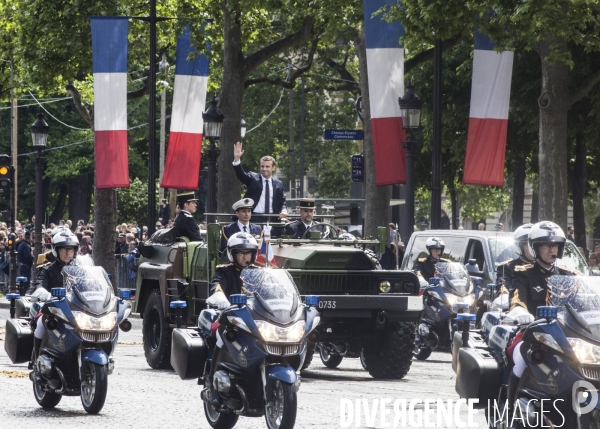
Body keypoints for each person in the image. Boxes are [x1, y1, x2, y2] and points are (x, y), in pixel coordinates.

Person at [506, 221, 578, 423]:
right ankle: (511, 411)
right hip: (532, 334)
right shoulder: (524, 272)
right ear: (535, 248)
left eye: (555, 245)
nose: (551, 249)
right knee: (522, 358)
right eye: (546, 245)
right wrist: (520, 311)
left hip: (564, 337)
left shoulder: (568, 275)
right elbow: (516, 297)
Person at [206, 232, 259, 405]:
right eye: (241, 253)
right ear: (232, 254)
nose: (245, 257)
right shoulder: (225, 271)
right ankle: (213, 385)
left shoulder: (260, 273)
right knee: (221, 334)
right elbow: (216, 287)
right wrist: (221, 300)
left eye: (248, 252)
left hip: (255, 319)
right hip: (230, 317)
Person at [30, 230, 79, 383]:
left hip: (75, 310)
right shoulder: (48, 269)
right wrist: (43, 293)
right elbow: (39, 286)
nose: (67, 252)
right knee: (41, 324)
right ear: (56, 250)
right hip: (53, 309)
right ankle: (36, 364)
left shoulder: (80, 270)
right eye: (64, 249)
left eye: (71, 249)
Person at [232, 142, 287, 222]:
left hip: (273, 219)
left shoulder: (279, 184)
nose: (264, 169)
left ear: (273, 168)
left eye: (267, 166)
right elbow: (241, 175)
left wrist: (284, 210)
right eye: (262, 166)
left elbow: (282, 202)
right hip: (254, 219)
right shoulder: (253, 178)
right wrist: (237, 159)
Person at [496, 223, 534, 299]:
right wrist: (504, 296)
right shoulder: (507, 267)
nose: (533, 248)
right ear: (518, 246)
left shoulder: (546, 267)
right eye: (528, 244)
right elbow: (503, 287)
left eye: (536, 244)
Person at [17, 230, 34, 295]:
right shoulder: (27, 246)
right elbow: (28, 256)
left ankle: (21, 294)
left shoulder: (21, 244)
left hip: (22, 265)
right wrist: (32, 260)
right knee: (26, 282)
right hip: (26, 266)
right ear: (29, 237)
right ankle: (22, 294)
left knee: (22, 282)